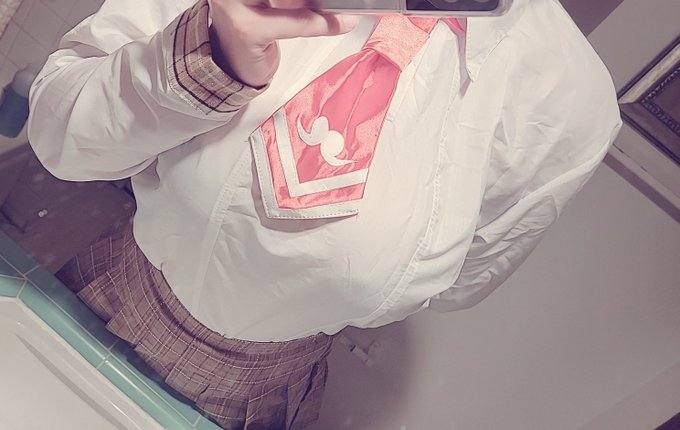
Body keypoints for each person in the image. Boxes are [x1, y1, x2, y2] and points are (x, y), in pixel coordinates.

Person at [27, 0, 622, 428]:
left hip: (263, 396)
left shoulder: (571, 100)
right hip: (101, 297)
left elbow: (462, 282)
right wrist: (205, 61)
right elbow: (60, 135)